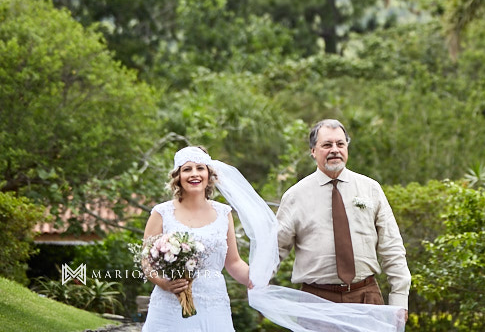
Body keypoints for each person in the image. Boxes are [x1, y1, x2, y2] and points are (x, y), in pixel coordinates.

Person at [277, 119, 411, 318]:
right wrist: (257, 282)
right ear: (313, 151)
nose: (335, 150)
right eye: (327, 145)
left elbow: (392, 247)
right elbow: (276, 249)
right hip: (316, 302)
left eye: (340, 144)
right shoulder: (295, 196)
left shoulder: (370, 189)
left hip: (366, 298)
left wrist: (400, 300)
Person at [141, 146, 253, 332]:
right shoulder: (162, 213)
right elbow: (146, 261)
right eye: (187, 169)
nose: (194, 174)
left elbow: (233, 263)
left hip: (214, 306)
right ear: (178, 176)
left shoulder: (224, 213)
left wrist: (256, 277)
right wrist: (164, 284)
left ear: (209, 174)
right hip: (169, 307)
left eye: (200, 168)